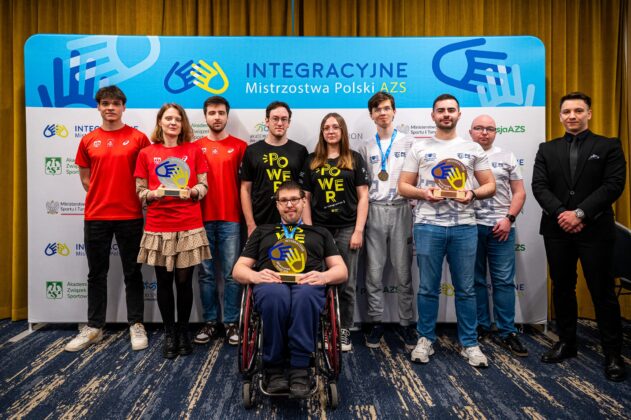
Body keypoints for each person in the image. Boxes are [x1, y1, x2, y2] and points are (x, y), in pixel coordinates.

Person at [532, 92, 627, 381]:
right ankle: (567, 342)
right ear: (560, 116)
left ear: (589, 114)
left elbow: (613, 185)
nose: (572, 116)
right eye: (567, 111)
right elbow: (539, 186)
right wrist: (563, 213)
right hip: (557, 229)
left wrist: (581, 214)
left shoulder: (609, 146)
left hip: (595, 230)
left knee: (603, 292)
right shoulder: (547, 149)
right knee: (562, 288)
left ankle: (613, 353)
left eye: (578, 110)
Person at [398, 93, 496, 367]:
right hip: (428, 225)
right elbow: (403, 186)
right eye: (441, 110)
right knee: (428, 288)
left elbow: (490, 185)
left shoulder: (473, 148)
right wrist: (423, 193)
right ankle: (425, 339)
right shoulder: (419, 148)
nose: (446, 114)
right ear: (433, 115)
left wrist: (472, 194)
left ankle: (470, 343)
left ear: (458, 114)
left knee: (465, 289)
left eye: (451, 110)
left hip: (464, 227)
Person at [232, 181, 347, 398]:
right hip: (271, 283)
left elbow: (341, 270)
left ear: (304, 202)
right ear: (277, 205)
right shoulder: (263, 231)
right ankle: (273, 367)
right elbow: (238, 269)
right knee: (276, 296)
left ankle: (300, 369)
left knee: (305, 296)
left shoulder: (319, 232)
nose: (289, 205)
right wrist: (255, 276)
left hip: (308, 284)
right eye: (283, 200)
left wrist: (323, 276)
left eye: (294, 199)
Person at [65, 85, 150, 352]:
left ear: (123, 107)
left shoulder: (138, 139)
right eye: (105, 103)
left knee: (132, 272)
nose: (110, 107)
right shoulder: (88, 140)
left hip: (130, 215)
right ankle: (94, 327)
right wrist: (104, 195)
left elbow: (146, 175)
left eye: (115, 103)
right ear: (98, 107)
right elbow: (85, 179)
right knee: (96, 274)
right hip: (96, 216)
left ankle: (136, 323)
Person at [134, 103, 211, 359]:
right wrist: (153, 194)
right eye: (168, 118)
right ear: (160, 121)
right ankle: (169, 333)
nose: (173, 123)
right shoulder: (146, 153)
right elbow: (140, 191)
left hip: (189, 224)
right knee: (164, 282)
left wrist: (193, 192)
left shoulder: (194, 150)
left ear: (182, 123)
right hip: (159, 226)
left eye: (177, 119)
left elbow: (203, 186)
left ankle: (183, 331)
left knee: (184, 282)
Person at [300, 113, 370, 352]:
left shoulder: (354, 158)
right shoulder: (312, 160)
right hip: (319, 230)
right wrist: (309, 230)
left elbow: (363, 197)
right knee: (317, 280)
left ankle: (343, 329)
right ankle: (323, 328)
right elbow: (305, 198)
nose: (331, 131)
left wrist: (358, 230)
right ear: (322, 132)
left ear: (342, 131)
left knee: (346, 283)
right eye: (326, 127)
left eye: (335, 127)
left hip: (347, 228)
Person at [357, 92, 417, 350]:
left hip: (402, 208)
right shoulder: (366, 146)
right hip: (375, 210)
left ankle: (407, 323)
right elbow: (363, 185)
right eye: (377, 109)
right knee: (373, 272)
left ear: (394, 111)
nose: (382, 113)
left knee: (403, 271)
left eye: (386, 108)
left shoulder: (409, 142)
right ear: (371, 115)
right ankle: (376, 322)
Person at [470, 115, 528, 356]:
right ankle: (481, 326)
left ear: (495, 132)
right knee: (475, 281)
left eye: (490, 129)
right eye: (479, 128)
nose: (484, 132)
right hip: (470, 226)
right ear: (470, 132)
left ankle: (507, 331)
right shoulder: (462, 156)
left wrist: (509, 219)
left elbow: (519, 192)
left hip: (501, 227)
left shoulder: (507, 156)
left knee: (503, 281)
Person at [193, 96, 247, 347]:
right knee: (205, 274)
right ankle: (210, 321)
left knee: (231, 274)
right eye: (212, 113)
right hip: (200, 219)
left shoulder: (240, 147)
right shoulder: (194, 148)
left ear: (227, 116)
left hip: (231, 219)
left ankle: (231, 322)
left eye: (221, 113)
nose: (217, 117)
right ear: (205, 116)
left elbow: (246, 187)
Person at [240, 101, 308, 236]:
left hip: (293, 221)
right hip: (260, 222)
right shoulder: (252, 151)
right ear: (267, 121)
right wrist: (250, 224)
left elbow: (305, 191)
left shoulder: (300, 151)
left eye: (284, 119)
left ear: (289, 123)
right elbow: (245, 189)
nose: (280, 123)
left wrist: (305, 222)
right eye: (275, 119)